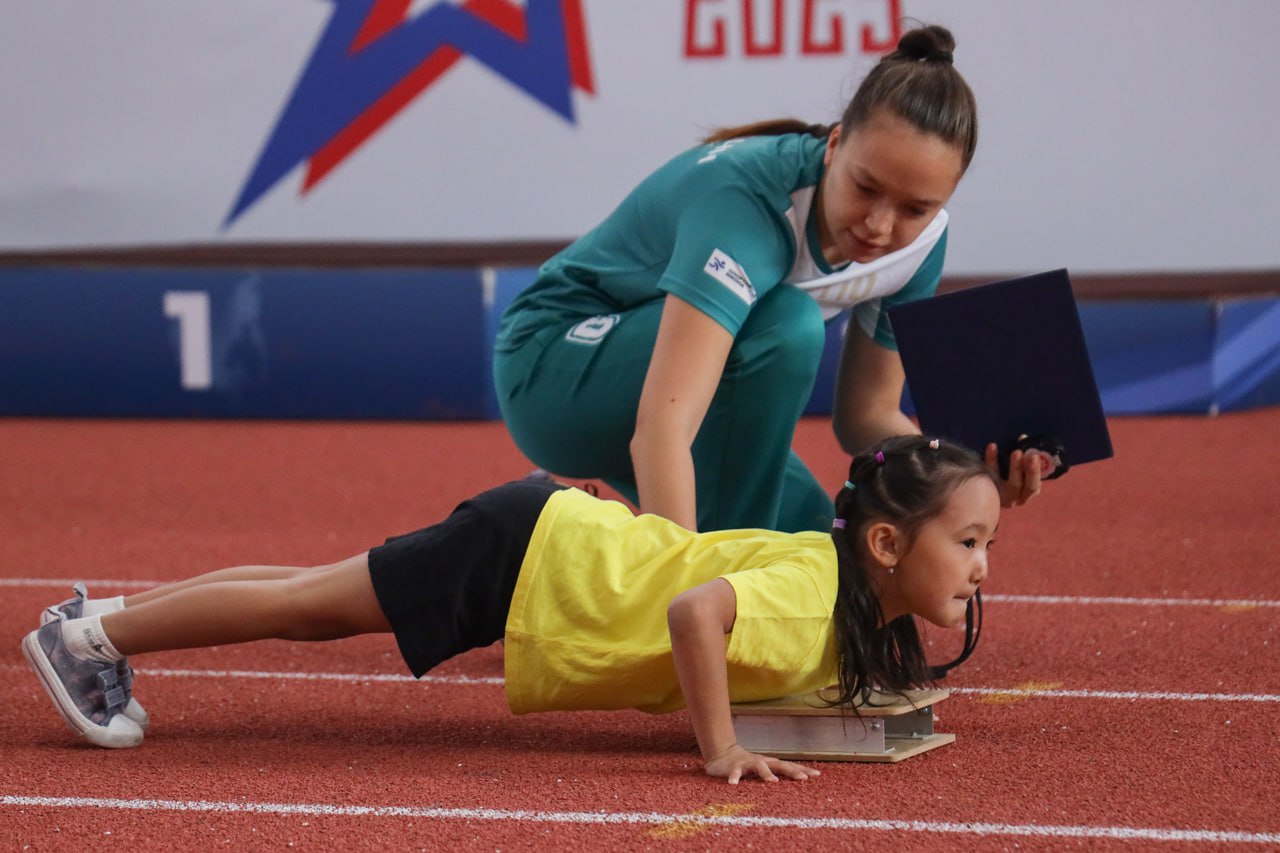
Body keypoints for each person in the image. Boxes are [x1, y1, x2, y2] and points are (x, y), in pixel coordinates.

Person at [23, 435, 997, 784]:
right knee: (309, 603)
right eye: (967, 543)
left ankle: (98, 619)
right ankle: (86, 638)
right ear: (883, 544)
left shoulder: (834, 568)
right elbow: (698, 614)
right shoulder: (809, 596)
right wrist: (718, 748)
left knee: (310, 591)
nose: (981, 566)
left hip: (546, 540)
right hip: (532, 556)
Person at [493, 24, 1042, 535]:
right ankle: (718, 584)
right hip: (551, 371)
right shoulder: (747, 206)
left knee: (822, 544)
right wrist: (683, 587)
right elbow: (664, 429)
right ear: (834, 144)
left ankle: (579, 551)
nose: (880, 225)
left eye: (915, 208)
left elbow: (864, 417)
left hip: (671, 401)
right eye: (866, 187)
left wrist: (965, 474)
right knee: (788, 323)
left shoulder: (920, 248)